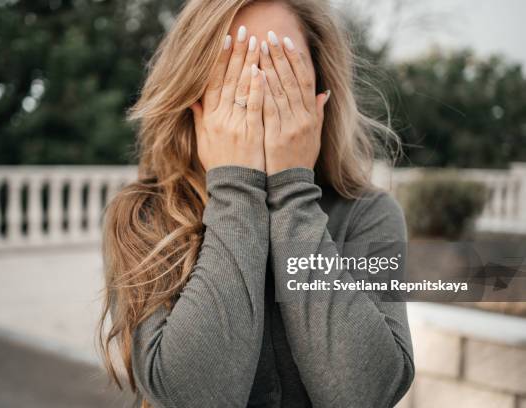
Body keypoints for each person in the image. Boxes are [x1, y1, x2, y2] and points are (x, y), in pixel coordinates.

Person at [99, 0, 415, 407]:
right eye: (235, 72)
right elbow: (189, 395)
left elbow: (367, 393)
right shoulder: (143, 216)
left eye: (282, 70)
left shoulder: (369, 215)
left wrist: (292, 192)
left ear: (320, 94)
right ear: (192, 92)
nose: (257, 94)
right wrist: (236, 188)